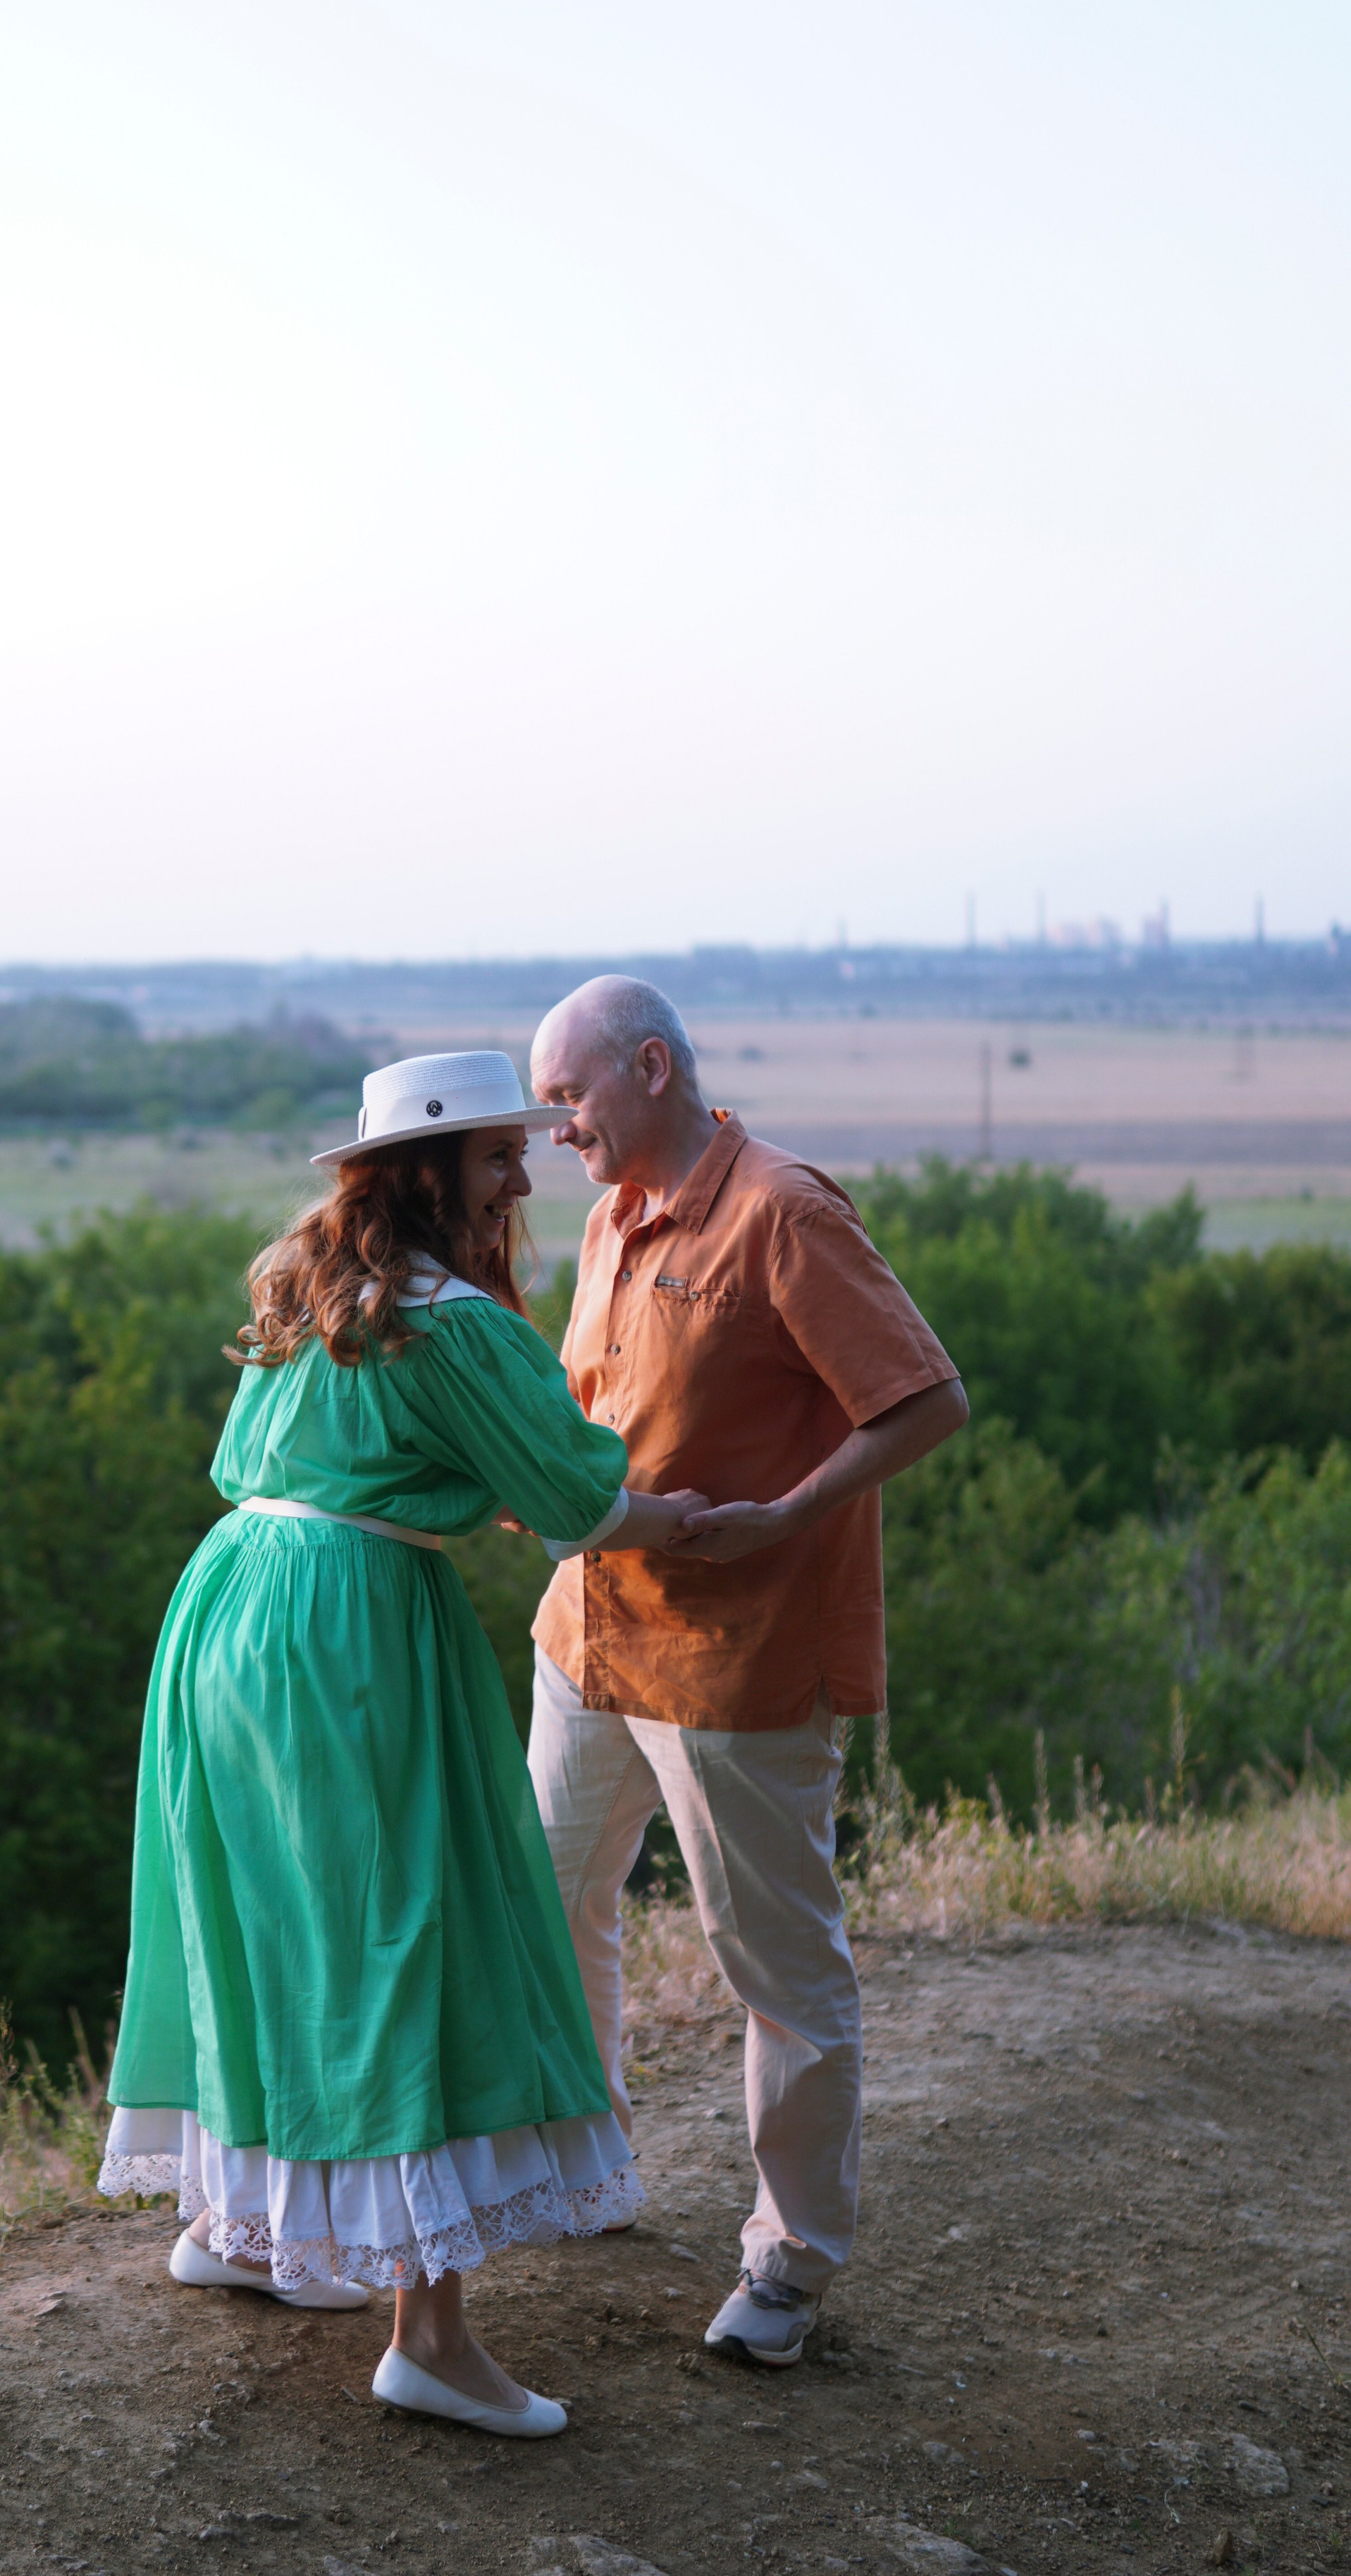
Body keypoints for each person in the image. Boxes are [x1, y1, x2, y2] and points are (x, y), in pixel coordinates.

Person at [99, 1049, 708, 2436]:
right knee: (405, 1937)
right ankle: (425, 2342)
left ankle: (240, 2228)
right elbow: (568, 1495)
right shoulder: (451, 1322)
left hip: (228, 1608)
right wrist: (685, 1521)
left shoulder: (311, 1286)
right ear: (431, 1170)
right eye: (496, 1154)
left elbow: (303, 1459)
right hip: (349, 1633)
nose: (520, 1172)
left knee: (264, 1913)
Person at [526, 978, 969, 2367]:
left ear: (648, 1068)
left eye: (569, 1098)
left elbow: (922, 1400)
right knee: (545, 1895)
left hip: (732, 1660)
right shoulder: (606, 1218)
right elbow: (585, 1413)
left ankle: (786, 2267)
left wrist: (788, 1515)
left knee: (772, 1963)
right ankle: (581, 2168)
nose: (556, 1130)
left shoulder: (783, 1212)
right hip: (585, 1635)